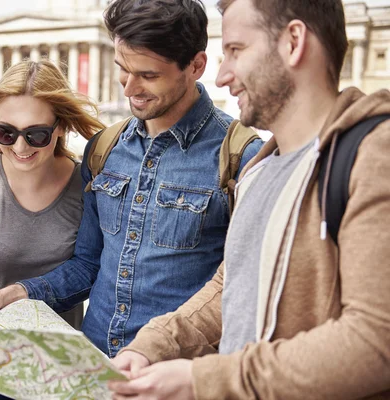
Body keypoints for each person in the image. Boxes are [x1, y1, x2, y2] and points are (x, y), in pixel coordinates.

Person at [108, 0, 390, 398]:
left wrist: (201, 380)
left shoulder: (375, 154)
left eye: (236, 51)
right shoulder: (259, 166)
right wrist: (154, 344)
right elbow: (233, 283)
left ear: (294, 42)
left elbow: (376, 342)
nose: (221, 77)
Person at [0, 0, 263, 358]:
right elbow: (87, 265)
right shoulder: (105, 149)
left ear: (196, 66)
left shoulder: (241, 158)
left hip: (175, 375)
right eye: (122, 69)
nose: (129, 89)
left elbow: (241, 288)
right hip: (95, 361)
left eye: (148, 75)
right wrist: (15, 294)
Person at [0, 59, 104, 400]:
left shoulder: (89, 189)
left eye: (36, 134)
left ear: (60, 127)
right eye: (6, 132)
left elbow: (90, 269)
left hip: (52, 370)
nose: (20, 148)